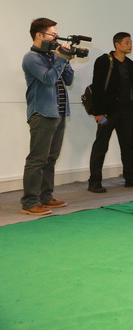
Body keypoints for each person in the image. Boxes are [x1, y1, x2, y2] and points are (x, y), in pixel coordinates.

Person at [20, 18, 74, 216]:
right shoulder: (31, 58)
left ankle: (46, 197)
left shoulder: (52, 56)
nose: (56, 39)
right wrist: (60, 59)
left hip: (58, 112)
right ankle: (29, 203)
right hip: (42, 113)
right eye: (53, 35)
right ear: (39, 35)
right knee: (37, 159)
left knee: (51, 158)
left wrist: (66, 60)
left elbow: (68, 80)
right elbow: (49, 79)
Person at [88, 32, 133, 193]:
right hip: (108, 112)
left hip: (127, 111)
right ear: (117, 44)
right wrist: (99, 112)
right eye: (127, 42)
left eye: (131, 42)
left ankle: (130, 177)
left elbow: (132, 86)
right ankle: (94, 181)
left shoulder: (130, 63)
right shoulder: (103, 61)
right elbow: (97, 87)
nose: (130, 45)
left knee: (128, 146)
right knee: (101, 146)